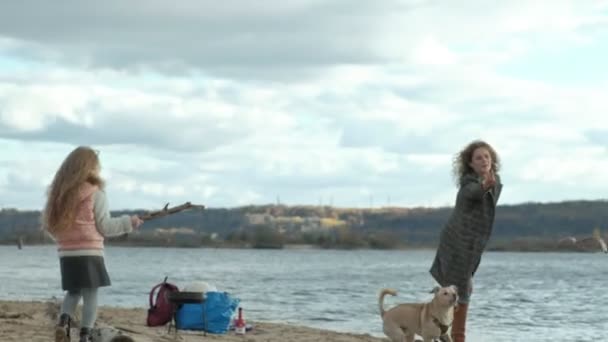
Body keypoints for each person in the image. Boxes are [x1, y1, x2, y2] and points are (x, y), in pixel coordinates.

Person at [41, 146, 143, 342]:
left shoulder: (59, 196)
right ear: (90, 168)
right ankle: (85, 335)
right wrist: (129, 222)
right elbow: (105, 227)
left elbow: (51, 226)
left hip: (67, 253)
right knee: (91, 295)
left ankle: (63, 322)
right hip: (89, 252)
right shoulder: (96, 194)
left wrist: (66, 241)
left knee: (73, 291)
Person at [429, 140, 502, 342]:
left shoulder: (495, 183)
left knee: (455, 292)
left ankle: (438, 332)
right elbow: (475, 192)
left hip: (472, 246)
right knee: (461, 292)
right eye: (478, 157)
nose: (484, 160)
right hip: (456, 245)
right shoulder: (468, 185)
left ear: (492, 159)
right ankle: (455, 337)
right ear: (470, 164)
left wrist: (489, 185)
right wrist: (484, 186)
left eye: (487, 156)